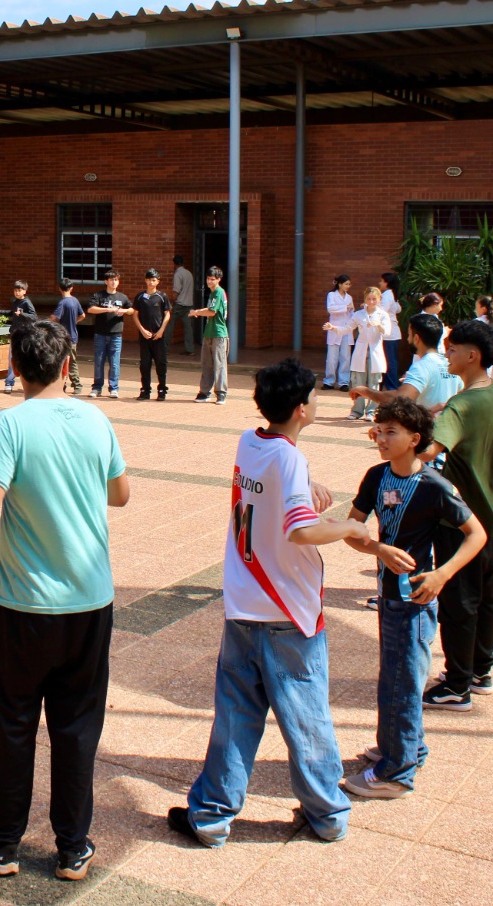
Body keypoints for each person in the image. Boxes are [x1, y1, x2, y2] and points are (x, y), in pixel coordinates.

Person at [165, 358, 368, 847]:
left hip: (243, 602)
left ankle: (211, 817)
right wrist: (350, 527)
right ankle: (327, 814)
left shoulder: (250, 443)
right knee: (306, 717)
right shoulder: (289, 460)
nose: (317, 402)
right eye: (315, 396)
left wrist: (306, 486)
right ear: (301, 409)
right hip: (288, 612)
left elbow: (269, 491)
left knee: (236, 714)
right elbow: (301, 529)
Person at [0, 320, 130, 881]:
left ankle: (3, 843)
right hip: (90, 601)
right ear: (65, 366)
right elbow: (120, 493)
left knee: (13, 723)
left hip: (23, 604)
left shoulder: (10, 423)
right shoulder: (96, 417)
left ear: (16, 366)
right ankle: (73, 847)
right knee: (77, 727)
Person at [342, 396, 486, 799]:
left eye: (391, 432)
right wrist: (377, 550)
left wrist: (442, 574)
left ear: (414, 439)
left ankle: (396, 773)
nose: (381, 439)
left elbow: (477, 534)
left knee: (402, 684)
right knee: (394, 679)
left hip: (416, 603)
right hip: (387, 595)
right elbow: (353, 529)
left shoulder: (435, 486)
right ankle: (404, 748)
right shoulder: (375, 477)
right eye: (379, 431)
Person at [420, 319, 493, 712]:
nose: (449, 354)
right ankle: (480, 670)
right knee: (489, 594)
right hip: (492, 513)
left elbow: (429, 452)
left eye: (454, 349)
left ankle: (456, 685)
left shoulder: (461, 405)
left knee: (459, 601)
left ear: (473, 355)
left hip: (459, 519)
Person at [350, 313, 460, 413]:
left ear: (416, 338)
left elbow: (400, 398)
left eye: (409, 335)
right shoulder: (451, 364)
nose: (408, 339)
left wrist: (367, 392)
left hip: (430, 431)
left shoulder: (422, 366)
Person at [347, 286, 394, 420]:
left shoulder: (382, 315)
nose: (371, 301)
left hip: (375, 352)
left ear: (379, 299)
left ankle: (371, 411)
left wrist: (378, 325)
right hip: (361, 351)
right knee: (358, 382)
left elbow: (387, 332)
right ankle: (357, 411)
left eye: (374, 299)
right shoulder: (359, 314)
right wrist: (334, 328)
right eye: (369, 299)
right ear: (365, 299)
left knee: (374, 382)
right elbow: (348, 327)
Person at [85, 269, 132, 399]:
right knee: (99, 362)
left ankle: (114, 388)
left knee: (115, 363)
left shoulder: (122, 297)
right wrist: (107, 309)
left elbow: (132, 310)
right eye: (111, 279)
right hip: (100, 334)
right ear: (106, 281)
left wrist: (123, 310)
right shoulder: (98, 295)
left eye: (116, 280)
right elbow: (90, 309)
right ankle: (97, 388)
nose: (114, 282)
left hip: (116, 334)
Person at [191, 266, 230, 404]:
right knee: (206, 363)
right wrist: (199, 311)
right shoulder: (213, 293)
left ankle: (221, 393)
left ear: (218, 279)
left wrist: (197, 312)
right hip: (208, 332)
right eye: (208, 279)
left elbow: (212, 312)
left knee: (219, 364)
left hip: (219, 333)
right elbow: (209, 310)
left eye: (212, 279)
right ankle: (204, 392)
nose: (209, 282)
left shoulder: (219, 292)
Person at [133, 269, 172, 400]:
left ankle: (162, 390)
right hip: (145, 337)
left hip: (159, 337)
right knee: (144, 364)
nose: (151, 282)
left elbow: (167, 314)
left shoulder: (162, 296)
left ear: (158, 281)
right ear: (145, 280)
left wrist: (161, 331)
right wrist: (142, 330)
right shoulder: (140, 297)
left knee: (161, 363)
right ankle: (145, 390)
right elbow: (135, 314)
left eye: (154, 280)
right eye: (149, 279)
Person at [50, 278, 85, 395]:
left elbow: (55, 317)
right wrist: (75, 321)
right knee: (73, 361)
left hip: (63, 337)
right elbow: (83, 315)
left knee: (61, 361)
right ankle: (77, 385)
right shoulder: (75, 301)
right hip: (73, 336)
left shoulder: (62, 302)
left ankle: (62, 384)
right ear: (71, 288)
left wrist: (48, 322)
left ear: (59, 288)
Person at [2, 280, 38, 394]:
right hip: (14, 334)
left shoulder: (27, 302)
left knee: (25, 359)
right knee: (11, 358)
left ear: (25, 291)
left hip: (24, 335)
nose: (17, 292)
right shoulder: (15, 302)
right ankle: (9, 382)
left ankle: (30, 382)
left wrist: (22, 314)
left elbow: (34, 316)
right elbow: (12, 313)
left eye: (19, 290)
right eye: (15, 290)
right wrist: (0, 312)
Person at [322, 275, 355, 390]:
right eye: (346, 284)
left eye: (349, 284)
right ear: (339, 284)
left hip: (346, 328)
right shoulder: (331, 295)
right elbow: (331, 308)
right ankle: (329, 381)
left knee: (345, 356)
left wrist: (352, 311)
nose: (348, 286)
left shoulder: (349, 297)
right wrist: (346, 307)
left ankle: (344, 382)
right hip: (334, 328)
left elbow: (351, 313)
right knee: (332, 357)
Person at [379, 272, 403, 390]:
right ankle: (390, 384)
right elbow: (398, 309)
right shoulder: (393, 294)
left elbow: (382, 310)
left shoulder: (387, 294)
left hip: (388, 334)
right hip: (393, 333)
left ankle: (391, 386)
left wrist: (369, 307)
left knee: (389, 361)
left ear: (386, 283)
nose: (380, 283)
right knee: (391, 360)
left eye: (382, 281)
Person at [171, 255, 197, 355]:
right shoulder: (189, 273)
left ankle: (165, 347)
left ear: (175, 264)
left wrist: (172, 301)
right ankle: (190, 349)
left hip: (179, 304)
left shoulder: (178, 274)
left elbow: (176, 291)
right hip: (189, 304)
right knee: (188, 327)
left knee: (169, 324)